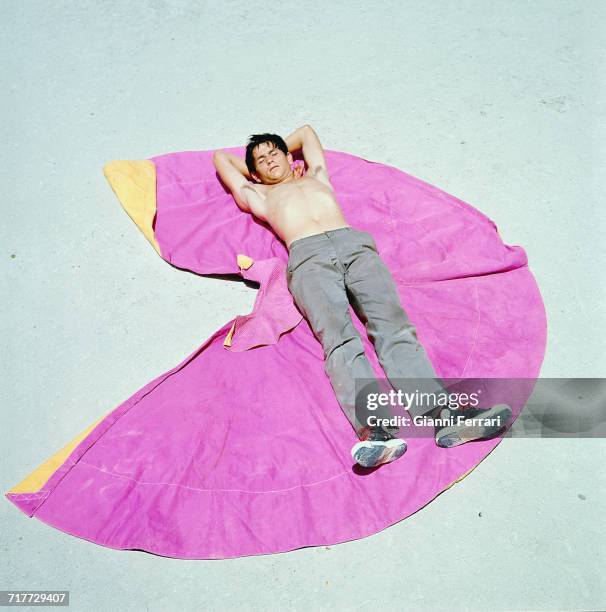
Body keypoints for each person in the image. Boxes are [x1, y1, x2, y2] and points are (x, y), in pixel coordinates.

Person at [213, 125, 512, 468]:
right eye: (262, 161)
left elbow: (307, 134)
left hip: (354, 246)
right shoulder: (259, 196)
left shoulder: (317, 176)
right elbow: (221, 160)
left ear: (287, 155)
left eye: (275, 153)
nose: (270, 161)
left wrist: (280, 147)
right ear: (255, 173)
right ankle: (378, 431)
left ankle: (443, 415)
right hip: (307, 259)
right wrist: (259, 165)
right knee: (340, 340)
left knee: (395, 328)